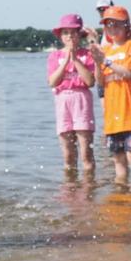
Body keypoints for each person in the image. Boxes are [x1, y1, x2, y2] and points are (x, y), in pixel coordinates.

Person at [90, 6, 131, 185]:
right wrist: (98, 63)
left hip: (130, 114)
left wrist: (106, 61)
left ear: (126, 26)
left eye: (116, 25)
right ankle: (121, 193)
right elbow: (100, 82)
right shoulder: (107, 51)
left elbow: (128, 73)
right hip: (112, 117)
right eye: (108, 25)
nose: (112, 29)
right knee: (117, 159)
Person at [47, 14, 97, 174]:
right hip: (63, 101)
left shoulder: (87, 55)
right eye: (66, 33)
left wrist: (75, 59)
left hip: (81, 100)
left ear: (80, 34)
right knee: (68, 155)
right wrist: (65, 61)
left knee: (86, 154)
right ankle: (70, 190)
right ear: (61, 36)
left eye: (73, 32)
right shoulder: (55, 56)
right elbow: (52, 82)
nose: (70, 36)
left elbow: (90, 82)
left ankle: (89, 189)